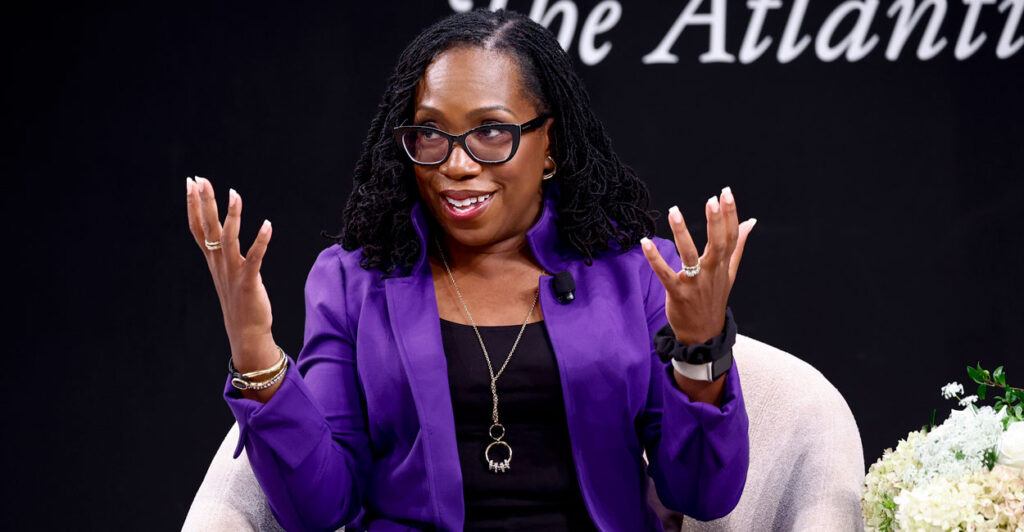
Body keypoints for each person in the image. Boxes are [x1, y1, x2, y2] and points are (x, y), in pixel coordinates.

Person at [184, 8, 755, 532]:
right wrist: (253, 348)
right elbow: (318, 507)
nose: (456, 164)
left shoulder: (635, 272)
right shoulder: (353, 281)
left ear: (549, 143)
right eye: (430, 133)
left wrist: (700, 349)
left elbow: (702, 496)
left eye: (491, 132)